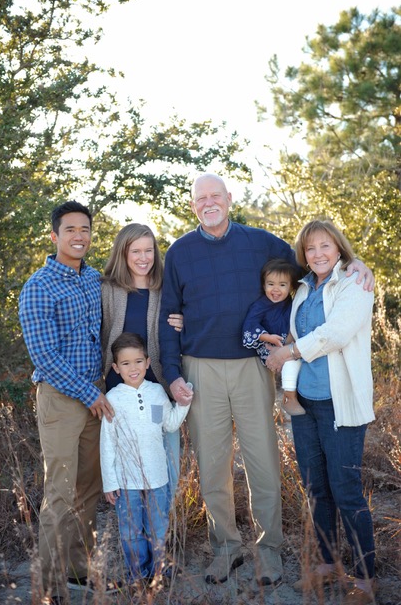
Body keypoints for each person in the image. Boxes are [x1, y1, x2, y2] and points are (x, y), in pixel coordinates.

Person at [158, 172, 374, 587]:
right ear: (192, 205)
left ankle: (268, 549)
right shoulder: (180, 252)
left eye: (215, 195)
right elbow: (169, 317)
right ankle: (225, 547)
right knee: (212, 464)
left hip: (252, 367)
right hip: (199, 367)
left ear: (229, 198)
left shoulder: (261, 243)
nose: (209, 203)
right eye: (201, 198)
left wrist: (355, 263)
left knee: (262, 460)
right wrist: (171, 374)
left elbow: (315, 264)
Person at [266, 220, 376, 605]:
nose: (318, 254)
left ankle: (365, 579)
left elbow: (337, 333)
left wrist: (289, 352)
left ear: (339, 247)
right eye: (310, 248)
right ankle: (329, 565)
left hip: (339, 403)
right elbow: (293, 326)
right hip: (305, 404)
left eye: (325, 246)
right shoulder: (302, 289)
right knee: (316, 488)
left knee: (346, 490)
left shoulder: (353, 282)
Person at [18, 201, 117, 605]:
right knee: (59, 492)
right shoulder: (39, 286)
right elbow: (44, 356)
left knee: (89, 488)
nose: (79, 236)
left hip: (95, 395)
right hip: (62, 398)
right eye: (70, 229)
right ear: (54, 235)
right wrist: (89, 393)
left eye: (85, 229)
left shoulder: (94, 279)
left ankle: (78, 569)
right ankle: (48, 585)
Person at [101, 223, 185, 502]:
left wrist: (184, 322)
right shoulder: (108, 290)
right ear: (123, 253)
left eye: (149, 250)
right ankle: (131, 518)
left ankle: (163, 519)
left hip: (157, 389)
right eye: (135, 251)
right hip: (120, 391)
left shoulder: (165, 290)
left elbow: (184, 322)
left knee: (165, 452)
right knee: (125, 459)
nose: (143, 257)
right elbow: (98, 334)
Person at [100, 332, 193, 584]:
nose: (133, 368)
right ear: (116, 368)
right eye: (126, 363)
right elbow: (107, 444)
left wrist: (183, 403)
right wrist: (110, 482)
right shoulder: (113, 399)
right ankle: (137, 574)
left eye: (138, 361)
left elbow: (169, 425)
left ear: (148, 362)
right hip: (126, 481)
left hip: (157, 477)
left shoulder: (157, 392)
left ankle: (159, 570)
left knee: (158, 526)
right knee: (131, 531)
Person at [242, 258, 305, 416]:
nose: (276, 289)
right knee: (292, 361)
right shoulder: (260, 305)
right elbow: (249, 324)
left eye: (282, 285)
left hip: (287, 344)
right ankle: (289, 397)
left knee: (301, 358)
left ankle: (297, 394)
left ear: (291, 287)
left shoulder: (291, 302)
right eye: (271, 284)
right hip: (268, 347)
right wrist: (267, 337)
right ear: (264, 286)